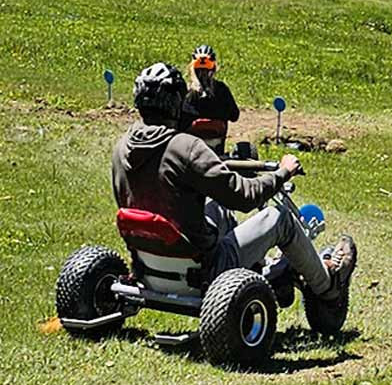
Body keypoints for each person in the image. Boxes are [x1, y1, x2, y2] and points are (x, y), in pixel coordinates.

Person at [111, 63, 354, 301]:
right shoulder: (185, 147)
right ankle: (328, 284)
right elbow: (244, 197)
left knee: (217, 208)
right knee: (279, 218)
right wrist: (282, 173)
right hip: (204, 272)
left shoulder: (121, 148)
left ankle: (260, 268)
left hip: (146, 268)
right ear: (176, 102)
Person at [182, 44, 239, 156]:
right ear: (213, 67)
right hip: (216, 149)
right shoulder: (222, 89)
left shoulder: (186, 92)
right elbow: (234, 116)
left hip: (189, 149)